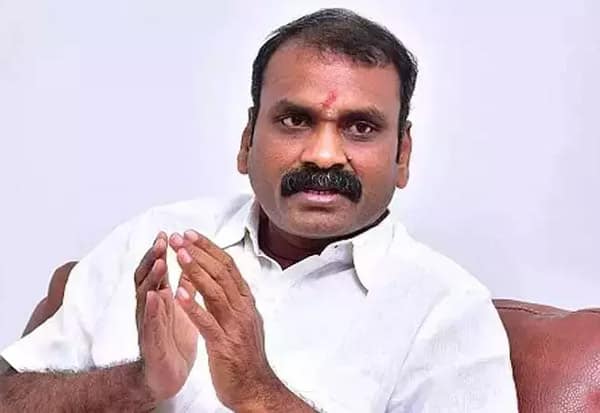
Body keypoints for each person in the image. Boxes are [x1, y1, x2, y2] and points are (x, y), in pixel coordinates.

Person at [0, 8, 518, 412]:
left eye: (360, 127)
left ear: (402, 155)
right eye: (295, 120)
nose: (323, 155)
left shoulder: (448, 312)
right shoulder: (155, 241)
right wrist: (138, 383)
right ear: (248, 140)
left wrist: (259, 393)